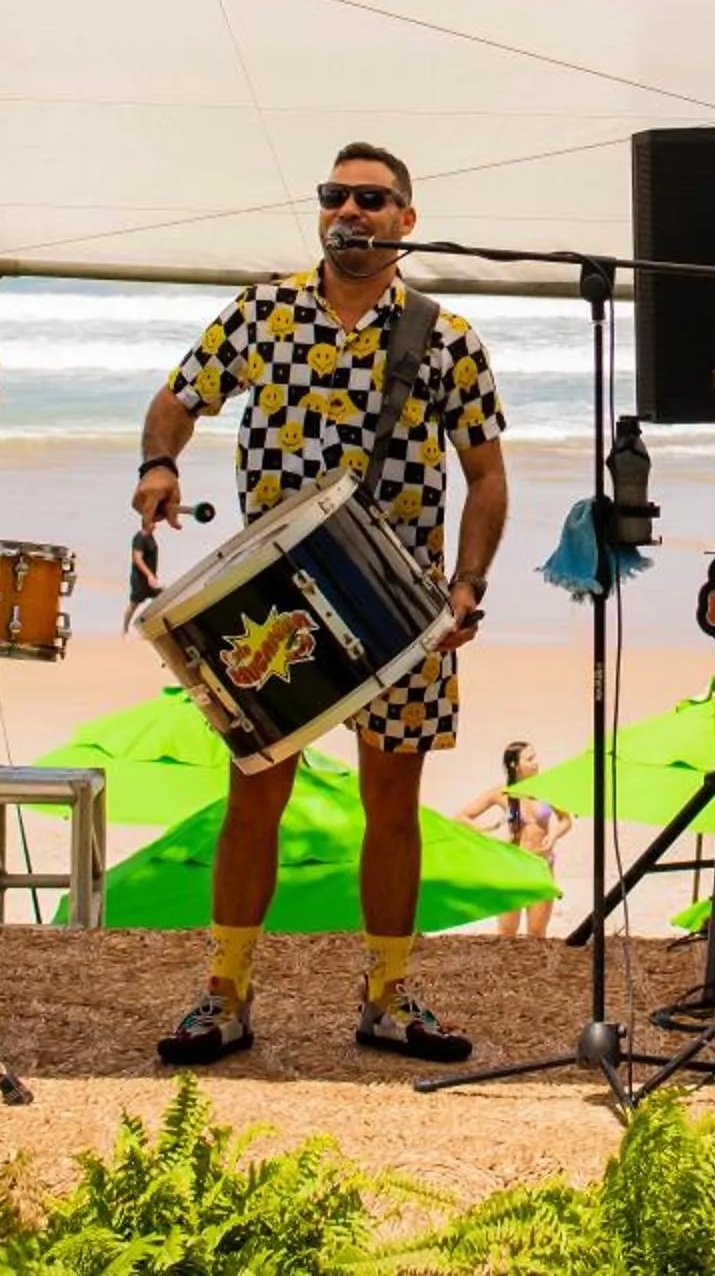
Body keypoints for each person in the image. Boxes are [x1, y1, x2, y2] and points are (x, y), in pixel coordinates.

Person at [132, 142, 509, 1065]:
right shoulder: (262, 314)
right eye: (336, 196)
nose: (351, 210)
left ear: (405, 221)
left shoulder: (448, 338)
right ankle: (223, 994)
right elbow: (177, 399)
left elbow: (488, 478)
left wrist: (466, 585)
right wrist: (158, 464)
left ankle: (389, 995)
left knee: (394, 801)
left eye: (372, 199)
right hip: (274, 607)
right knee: (254, 796)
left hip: (404, 610)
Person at [458, 741, 571, 938]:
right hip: (512, 868)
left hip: (540, 867)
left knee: (537, 934)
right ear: (514, 765)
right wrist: (487, 829)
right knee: (507, 934)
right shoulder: (502, 793)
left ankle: (536, 969)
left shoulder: (547, 790)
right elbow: (462, 817)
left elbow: (566, 820)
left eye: (535, 758)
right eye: (529, 759)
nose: (536, 763)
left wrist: (553, 836)